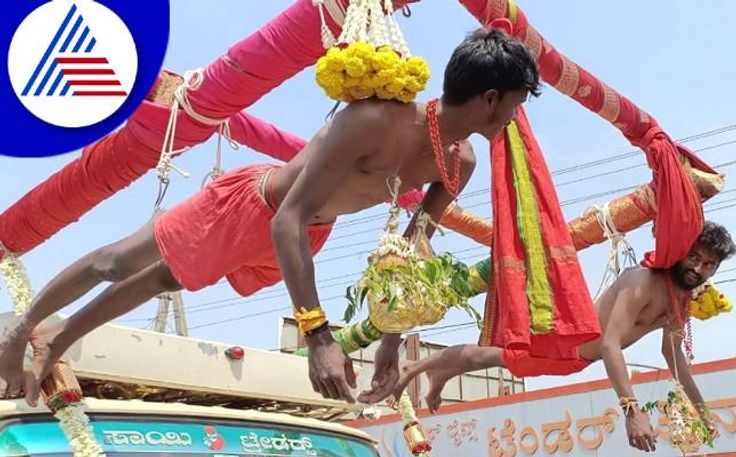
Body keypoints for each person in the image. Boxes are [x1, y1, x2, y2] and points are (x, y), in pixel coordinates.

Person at [0, 27, 540, 407]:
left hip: (306, 234)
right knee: (118, 262)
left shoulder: (458, 161)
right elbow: (287, 217)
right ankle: (22, 330)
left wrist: (391, 345)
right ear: (491, 99)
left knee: (167, 278)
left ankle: (60, 337)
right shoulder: (375, 120)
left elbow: (410, 256)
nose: (515, 117)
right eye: (516, 104)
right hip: (257, 205)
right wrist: (318, 336)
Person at [391, 222, 736, 453]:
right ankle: (418, 366)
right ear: (680, 249)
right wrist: (631, 411)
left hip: (576, 360)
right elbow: (609, 343)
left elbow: (673, 356)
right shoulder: (642, 281)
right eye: (694, 257)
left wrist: (702, 412)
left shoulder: (682, 301)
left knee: (494, 358)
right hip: (564, 341)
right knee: (489, 356)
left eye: (709, 264)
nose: (698, 268)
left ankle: (438, 372)